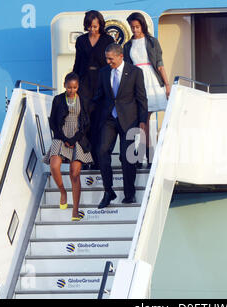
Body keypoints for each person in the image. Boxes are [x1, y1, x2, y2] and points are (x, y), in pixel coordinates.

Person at [92, 43, 148, 208]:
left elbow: (141, 98)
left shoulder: (135, 72)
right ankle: (108, 191)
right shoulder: (103, 73)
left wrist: (143, 120)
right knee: (101, 151)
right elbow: (99, 96)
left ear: (120, 56)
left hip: (129, 119)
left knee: (126, 156)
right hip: (109, 118)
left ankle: (129, 194)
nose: (108, 62)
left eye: (111, 59)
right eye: (107, 59)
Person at [43, 72, 93, 221]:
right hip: (60, 136)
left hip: (78, 137)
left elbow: (86, 123)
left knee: (75, 173)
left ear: (78, 87)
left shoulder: (83, 100)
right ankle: (63, 192)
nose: (72, 90)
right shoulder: (58, 99)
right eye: (69, 87)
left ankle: (75, 210)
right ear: (64, 85)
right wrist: (64, 138)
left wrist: (75, 138)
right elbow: (52, 121)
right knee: (54, 165)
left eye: (75, 87)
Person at [123, 12, 170, 168]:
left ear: (142, 25)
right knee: (140, 120)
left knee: (147, 118)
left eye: (137, 26)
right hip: (135, 81)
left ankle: (148, 155)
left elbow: (160, 64)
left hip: (151, 80)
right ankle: (144, 153)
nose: (135, 30)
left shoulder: (151, 42)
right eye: (132, 27)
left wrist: (167, 84)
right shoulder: (128, 45)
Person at [73, 10, 115, 168]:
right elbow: (77, 63)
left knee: (101, 122)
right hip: (85, 84)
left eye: (95, 26)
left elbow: (111, 65)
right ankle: (85, 158)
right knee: (84, 122)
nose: (92, 29)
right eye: (90, 26)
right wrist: (74, 83)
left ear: (101, 25)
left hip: (102, 84)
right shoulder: (81, 41)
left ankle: (99, 160)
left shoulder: (108, 40)